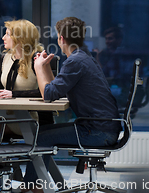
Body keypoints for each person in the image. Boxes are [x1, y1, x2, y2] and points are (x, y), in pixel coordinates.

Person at [21, 17, 121, 193]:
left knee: (42, 138)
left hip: (97, 132)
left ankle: (29, 188)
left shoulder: (75, 61)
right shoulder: (83, 57)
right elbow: (54, 91)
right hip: (102, 127)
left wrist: (37, 68)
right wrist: (44, 68)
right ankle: (33, 186)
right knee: (43, 132)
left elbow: (48, 95)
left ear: (61, 39)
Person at [0, 19, 54, 137]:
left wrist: (14, 94)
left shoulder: (37, 59)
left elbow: (47, 92)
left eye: (7, 34)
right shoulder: (5, 58)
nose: (3, 38)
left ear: (20, 38)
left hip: (32, 119)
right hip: (7, 115)